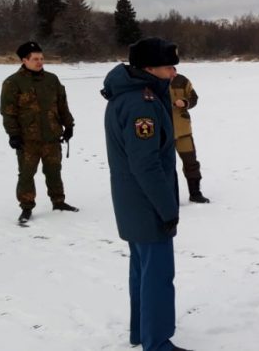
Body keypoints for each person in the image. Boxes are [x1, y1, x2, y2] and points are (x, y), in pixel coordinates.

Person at [101, 37, 191, 351]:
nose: (173, 73)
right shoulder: (143, 103)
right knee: (158, 276)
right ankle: (157, 342)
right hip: (147, 203)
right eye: (168, 67)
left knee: (142, 270)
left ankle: (142, 331)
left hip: (133, 201)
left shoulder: (131, 95)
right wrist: (168, 209)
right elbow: (146, 164)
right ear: (149, 68)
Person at [0, 41, 78, 224]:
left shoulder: (52, 79)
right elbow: (8, 112)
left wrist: (69, 125)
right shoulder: (12, 83)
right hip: (28, 140)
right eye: (35, 59)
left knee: (54, 171)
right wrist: (13, 135)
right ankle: (26, 208)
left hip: (51, 137)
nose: (40, 62)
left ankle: (59, 202)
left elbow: (62, 105)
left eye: (41, 58)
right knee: (26, 174)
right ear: (24, 60)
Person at [169, 71, 210, 203]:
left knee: (191, 163)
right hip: (163, 132)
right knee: (165, 166)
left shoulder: (182, 80)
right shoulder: (153, 81)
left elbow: (194, 98)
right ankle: (169, 197)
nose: (172, 73)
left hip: (183, 131)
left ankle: (195, 193)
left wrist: (185, 102)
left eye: (173, 69)